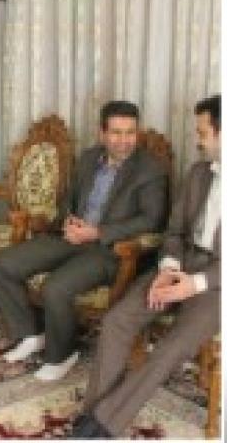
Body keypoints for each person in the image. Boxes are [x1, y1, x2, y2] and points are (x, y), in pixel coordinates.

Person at [71, 95, 221, 438]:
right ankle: (93, 412)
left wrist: (194, 284)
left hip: (216, 285)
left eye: (202, 133)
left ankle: (104, 424)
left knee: (171, 348)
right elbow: (174, 231)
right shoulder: (198, 174)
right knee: (116, 321)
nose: (197, 140)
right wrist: (167, 268)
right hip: (179, 264)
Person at [0, 101, 169, 381]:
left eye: (130, 133)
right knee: (4, 263)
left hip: (109, 249)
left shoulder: (150, 169)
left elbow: (152, 219)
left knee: (56, 287)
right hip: (72, 237)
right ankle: (30, 334)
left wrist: (97, 232)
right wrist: (68, 222)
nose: (124, 141)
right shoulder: (89, 158)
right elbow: (69, 201)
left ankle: (62, 355)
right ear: (102, 133)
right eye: (116, 133)